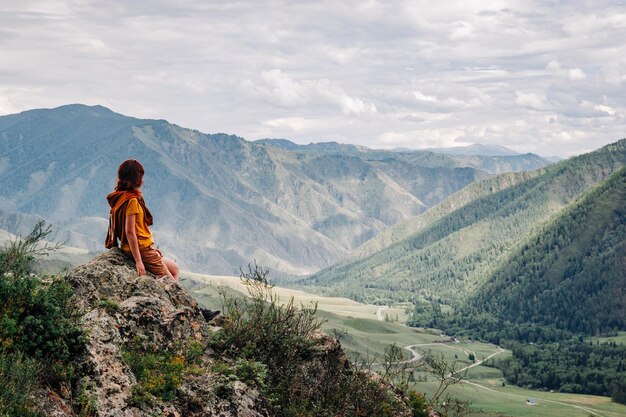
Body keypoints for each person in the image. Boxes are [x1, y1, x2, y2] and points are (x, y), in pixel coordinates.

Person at [104, 159, 220, 321]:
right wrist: (139, 261)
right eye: (140, 176)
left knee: (174, 269)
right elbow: (130, 232)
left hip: (143, 248)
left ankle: (174, 302)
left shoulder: (119, 196)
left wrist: (151, 250)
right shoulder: (131, 201)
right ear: (135, 178)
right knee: (172, 284)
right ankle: (197, 312)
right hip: (140, 249)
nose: (142, 180)